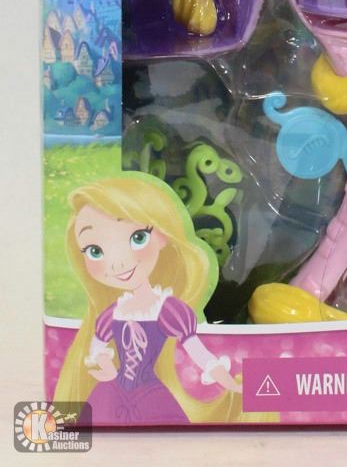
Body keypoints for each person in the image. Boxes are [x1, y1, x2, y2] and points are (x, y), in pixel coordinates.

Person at [53, 175, 246, 425]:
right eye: (95, 251)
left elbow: (200, 354)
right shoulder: (113, 312)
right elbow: (97, 348)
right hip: (111, 392)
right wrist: (105, 366)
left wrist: (230, 383)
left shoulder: (169, 310)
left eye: (138, 237)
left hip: (151, 396)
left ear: (162, 236)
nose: (118, 264)